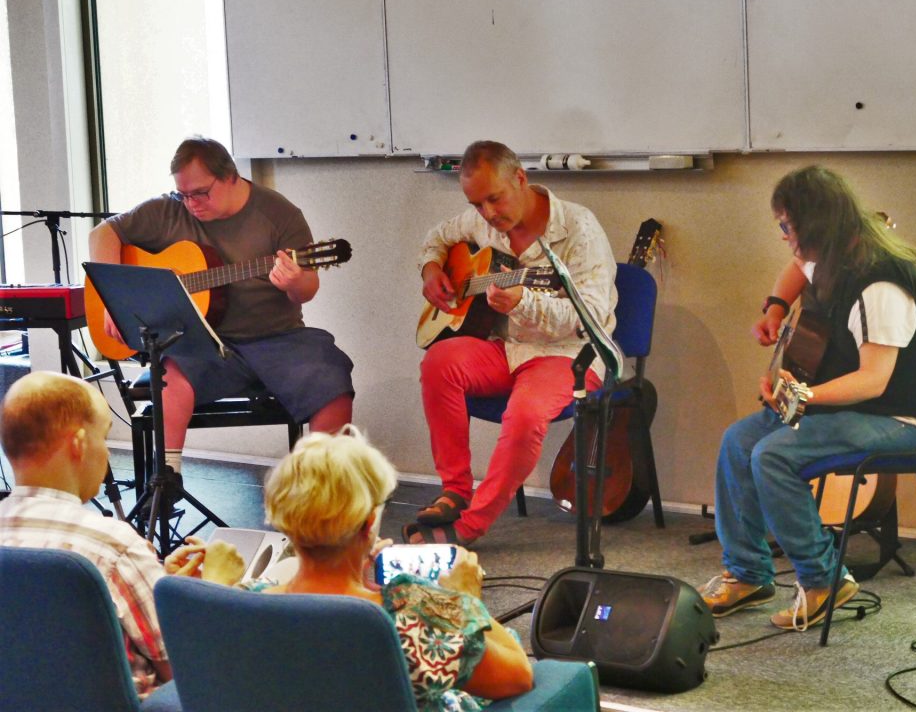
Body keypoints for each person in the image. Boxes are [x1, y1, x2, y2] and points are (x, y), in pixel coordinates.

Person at [699, 166, 916, 631]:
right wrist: (776, 307)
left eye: (786, 227)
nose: (783, 237)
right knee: (738, 440)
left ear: (815, 228)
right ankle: (748, 572)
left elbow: (873, 381)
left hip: (905, 417)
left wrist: (800, 395)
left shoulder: (881, 285)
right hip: (856, 404)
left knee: (772, 454)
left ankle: (824, 578)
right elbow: (799, 267)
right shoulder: (833, 251)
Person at [89, 136, 355, 491]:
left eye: (201, 193)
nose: (192, 204)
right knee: (171, 374)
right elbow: (102, 233)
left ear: (231, 176)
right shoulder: (169, 210)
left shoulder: (279, 214)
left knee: (332, 379)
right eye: (183, 194)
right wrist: (114, 299)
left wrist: (293, 282)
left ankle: (326, 491)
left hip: (277, 337)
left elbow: (307, 290)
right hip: (202, 341)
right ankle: (167, 480)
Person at [409, 140, 617, 545]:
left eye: (494, 199)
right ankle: (454, 490)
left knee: (524, 415)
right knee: (440, 361)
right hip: (506, 349)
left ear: (520, 178)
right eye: (476, 205)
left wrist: (524, 303)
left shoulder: (579, 228)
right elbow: (438, 236)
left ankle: (467, 527)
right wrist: (432, 268)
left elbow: (587, 319)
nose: (487, 214)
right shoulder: (482, 224)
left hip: (569, 354)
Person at [0, 371, 245, 698]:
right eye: (104, 438)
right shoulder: (112, 545)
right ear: (79, 444)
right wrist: (214, 590)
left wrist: (158, 584)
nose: (108, 454)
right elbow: (188, 666)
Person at [258, 427, 534, 711]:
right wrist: (463, 602)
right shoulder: (408, 620)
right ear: (367, 524)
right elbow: (519, 676)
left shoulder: (247, 604)